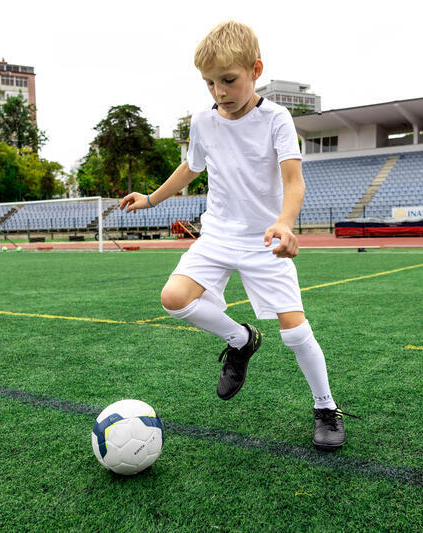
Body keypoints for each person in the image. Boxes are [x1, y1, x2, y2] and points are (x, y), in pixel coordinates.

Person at [120, 20, 353, 451]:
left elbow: (293, 181)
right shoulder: (203, 122)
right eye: (209, 83)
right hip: (217, 237)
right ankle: (241, 340)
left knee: (295, 332)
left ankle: (325, 407)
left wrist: (285, 223)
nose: (218, 91)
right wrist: (151, 199)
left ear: (255, 70)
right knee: (173, 298)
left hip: (264, 239)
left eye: (228, 80)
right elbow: (191, 167)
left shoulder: (277, 119)